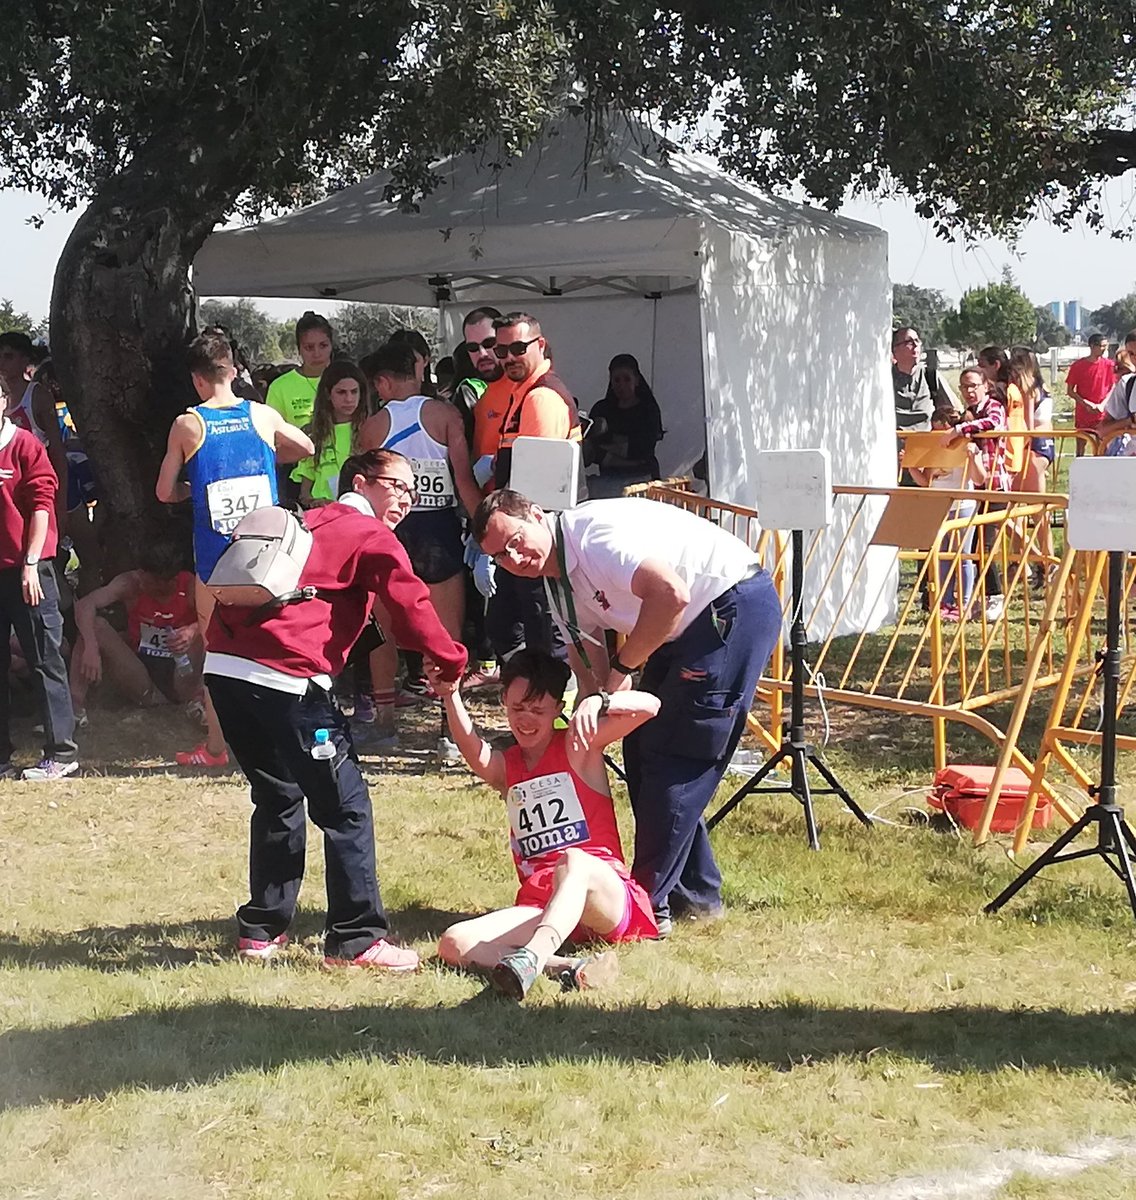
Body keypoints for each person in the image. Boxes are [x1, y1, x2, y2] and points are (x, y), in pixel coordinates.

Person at [472, 489, 782, 938]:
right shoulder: (556, 585)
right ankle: (696, 894)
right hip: (676, 630)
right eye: (499, 556)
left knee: (677, 755)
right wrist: (586, 719)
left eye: (516, 540)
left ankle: (645, 905)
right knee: (641, 751)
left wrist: (619, 675)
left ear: (537, 515)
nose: (514, 557)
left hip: (728, 606)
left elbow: (670, 596)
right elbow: (588, 664)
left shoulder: (594, 539)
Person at [203, 448, 468, 970]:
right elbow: (411, 604)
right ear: (364, 481)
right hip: (288, 679)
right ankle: (356, 940)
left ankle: (262, 930)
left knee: (278, 795)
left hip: (225, 669)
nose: (407, 500)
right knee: (345, 807)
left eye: (415, 491)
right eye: (398, 486)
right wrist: (450, 658)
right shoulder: (368, 533)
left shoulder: (309, 518)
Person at [431, 648, 659, 999]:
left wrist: (599, 702)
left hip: (602, 896)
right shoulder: (507, 768)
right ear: (504, 701)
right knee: (454, 943)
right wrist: (450, 695)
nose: (525, 720)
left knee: (574, 861)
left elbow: (650, 707)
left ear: (558, 708)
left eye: (538, 710)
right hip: (545, 906)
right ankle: (565, 967)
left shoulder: (577, 744)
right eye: (516, 708)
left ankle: (532, 956)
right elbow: (472, 747)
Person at [156, 330, 313, 767]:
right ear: (232, 370)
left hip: (216, 560)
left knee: (218, 651)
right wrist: (267, 460)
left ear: (197, 379)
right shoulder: (262, 415)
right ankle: (282, 735)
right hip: (266, 556)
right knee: (274, 643)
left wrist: (197, 489)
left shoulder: (189, 424)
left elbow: (164, 491)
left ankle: (217, 748)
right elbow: (306, 447)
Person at [358, 343, 482, 758]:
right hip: (439, 528)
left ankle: (385, 723)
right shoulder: (445, 415)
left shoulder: (374, 425)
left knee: (383, 629)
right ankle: (450, 727)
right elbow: (462, 480)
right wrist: (484, 528)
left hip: (393, 530)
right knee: (447, 631)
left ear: (383, 381)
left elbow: (365, 489)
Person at [0, 406, 78, 780]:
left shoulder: (25, 446)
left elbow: (42, 507)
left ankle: (61, 753)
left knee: (45, 658)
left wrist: (31, 563)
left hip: (28, 569)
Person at [69, 543, 201, 725]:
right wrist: (91, 647)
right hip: (142, 676)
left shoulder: (190, 586)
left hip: (184, 674)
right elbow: (85, 604)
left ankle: (200, 698)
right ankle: (74, 706)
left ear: (168, 581)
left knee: (205, 630)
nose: (141, 582)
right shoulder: (131, 583)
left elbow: (217, 618)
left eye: (148, 582)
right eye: (141, 576)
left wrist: (192, 630)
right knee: (94, 626)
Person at [906, 404, 986, 619]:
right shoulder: (934, 449)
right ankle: (945, 601)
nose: (936, 435)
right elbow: (926, 481)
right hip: (939, 505)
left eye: (940, 430)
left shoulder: (968, 446)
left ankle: (965, 603)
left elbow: (979, 479)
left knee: (963, 556)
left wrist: (971, 457)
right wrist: (911, 465)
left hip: (963, 505)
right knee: (942, 556)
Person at [948, 367, 1010, 620]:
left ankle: (995, 596)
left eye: (974, 385)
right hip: (974, 487)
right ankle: (981, 597)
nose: (969, 391)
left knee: (984, 546)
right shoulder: (968, 415)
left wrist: (959, 430)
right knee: (973, 547)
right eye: (964, 387)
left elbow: (992, 423)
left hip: (995, 487)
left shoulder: (993, 407)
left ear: (986, 385)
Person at [0, 331, 69, 538]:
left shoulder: (38, 396)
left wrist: (61, 501)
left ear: (25, 360)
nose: (1, 362)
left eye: (8, 356)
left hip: (39, 488)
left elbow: (57, 449)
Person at [583, 354, 665, 498]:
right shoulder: (602, 409)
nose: (622, 385)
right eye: (617, 380)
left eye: (627, 379)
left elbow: (642, 450)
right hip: (609, 480)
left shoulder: (648, 410)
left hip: (642, 480)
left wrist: (607, 450)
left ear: (637, 380)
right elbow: (590, 450)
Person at [291, 361, 368, 508]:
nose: (349, 399)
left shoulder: (370, 429)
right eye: (341, 392)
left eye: (354, 391)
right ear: (327, 394)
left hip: (358, 513)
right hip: (323, 515)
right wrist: (316, 503)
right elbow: (305, 493)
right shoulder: (314, 433)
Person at [264, 312, 335, 429]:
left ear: (331, 346)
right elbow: (273, 433)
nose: (317, 354)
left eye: (323, 345)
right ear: (299, 349)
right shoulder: (279, 387)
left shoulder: (348, 381)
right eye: (309, 347)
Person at [891, 327, 957, 432]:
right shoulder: (885, 379)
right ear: (895, 349)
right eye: (909, 342)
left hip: (927, 444)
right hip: (894, 445)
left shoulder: (930, 376)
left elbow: (952, 412)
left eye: (917, 340)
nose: (916, 345)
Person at [1065, 333, 1115, 453]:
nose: (1104, 349)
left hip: (1102, 414)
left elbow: (1113, 386)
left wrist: (1103, 404)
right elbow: (1070, 391)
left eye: (1106, 346)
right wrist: (1085, 403)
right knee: (1081, 446)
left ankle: (1101, 470)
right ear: (1092, 346)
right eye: (1102, 346)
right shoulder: (1078, 366)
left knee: (1103, 446)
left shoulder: (1110, 365)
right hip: (1083, 414)